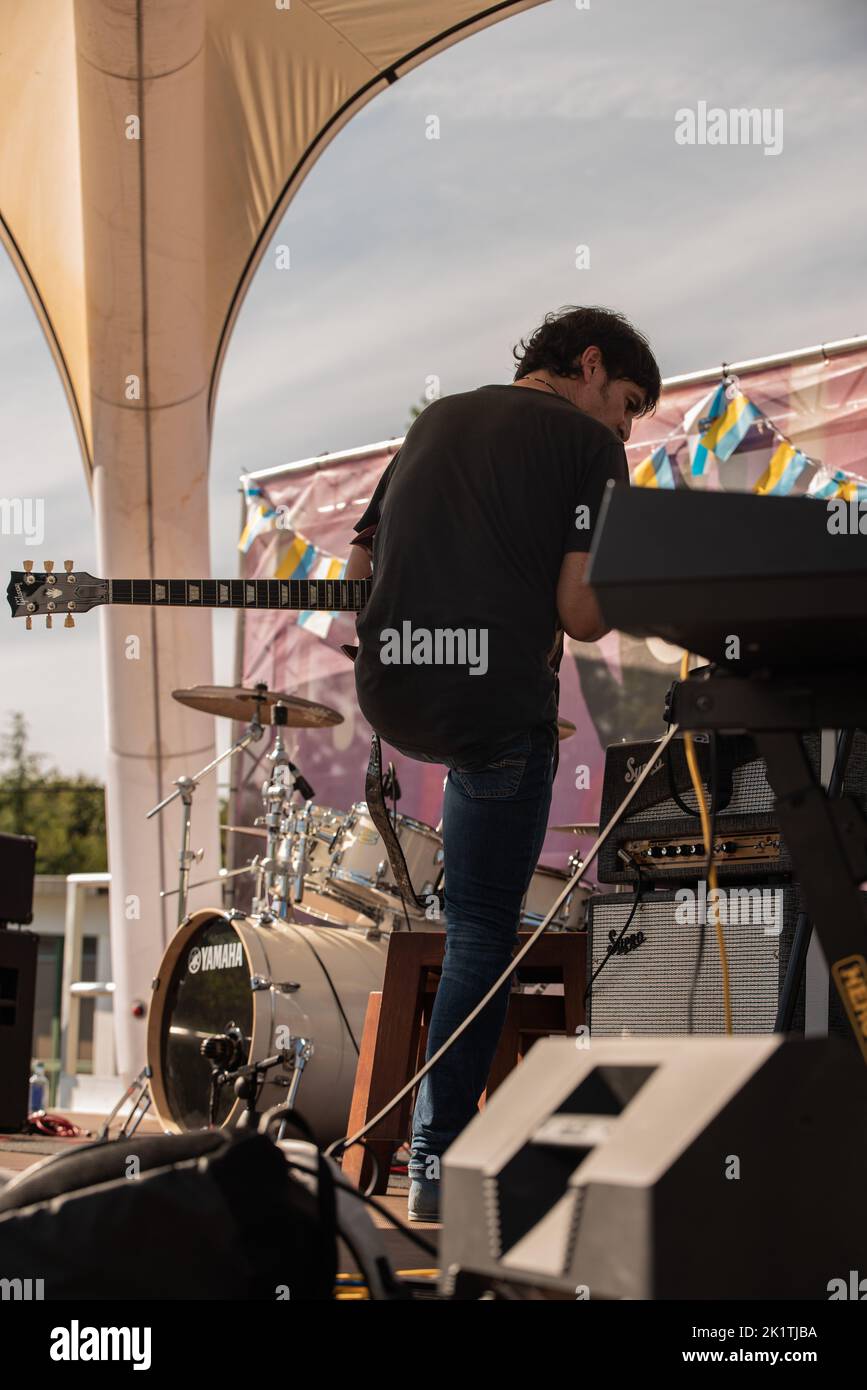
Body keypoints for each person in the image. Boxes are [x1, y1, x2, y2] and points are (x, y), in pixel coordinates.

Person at [344, 305, 661, 1221]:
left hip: (393, 691)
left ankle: (431, 1143)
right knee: (482, 928)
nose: (625, 426)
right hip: (491, 708)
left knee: (458, 909)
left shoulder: (432, 422)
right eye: (628, 402)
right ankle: (440, 1161)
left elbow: (357, 564)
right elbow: (579, 615)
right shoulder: (587, 448)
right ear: (590, 364)